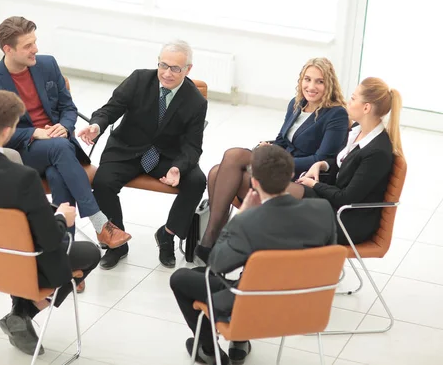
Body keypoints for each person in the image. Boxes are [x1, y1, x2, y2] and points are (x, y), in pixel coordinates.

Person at [0, 90, 101, 357]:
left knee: (25, 246)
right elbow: (49, 239)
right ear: (9, 131)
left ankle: (19, 314)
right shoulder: (22, 177)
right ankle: (24, 312)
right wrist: (62, 219)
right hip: (17, 266)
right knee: (90, 252)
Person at [170, 145, 336, 365]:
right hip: (305, 306)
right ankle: (239, 343)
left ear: (254, 182)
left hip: (253, 306)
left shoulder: (249, 222)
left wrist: (240, 216)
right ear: (292, 177)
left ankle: (209, 350)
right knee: (244, 275)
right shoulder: (323, 210)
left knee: (182, 278)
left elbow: (217, 264)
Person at [0, 16, 130, 249]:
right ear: (8, 49)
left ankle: (66, 258)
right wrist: (34, 133)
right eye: (28, 46)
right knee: (60, 148)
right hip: (24, 152)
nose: (35, 49)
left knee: (58, 174)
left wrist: (64, 126)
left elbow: (68, 108)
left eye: (35, 42)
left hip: (59, 146)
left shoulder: (47, 65)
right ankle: (100, 223)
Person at [195, 57, 348, 263]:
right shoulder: (296, 105)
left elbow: (321, 158)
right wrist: (268, 147)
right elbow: (282, 140)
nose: (311, 87)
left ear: (329, 84)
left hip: (302, 178)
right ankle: (213, 244)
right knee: (216, 172)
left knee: (233, 156)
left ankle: (212, 242)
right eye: (307, 79)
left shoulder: (336, 114)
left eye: (319, 81)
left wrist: (279, 160)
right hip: (280, 167)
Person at [78, 40, 208, 269]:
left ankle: (167, 234)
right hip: (127, 148)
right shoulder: (139, 79)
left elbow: (192, 145)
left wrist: (178, 167)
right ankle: (117, 243)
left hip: (167, 156)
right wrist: (97, 126)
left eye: (175, 68)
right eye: (163, 65)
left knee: (197, 181)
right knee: (103, 181)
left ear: (188, 69)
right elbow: (111, 108)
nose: (167, 73)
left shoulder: (195, 101)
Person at [291, 77, 404, 245]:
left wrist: (313, 185)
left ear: (366, 107)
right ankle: (260, 265)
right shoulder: (356, 131)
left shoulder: (377, 151)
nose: (348, 103)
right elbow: (342, 165)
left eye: (353, 98)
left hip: (347, 221)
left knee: (283, 209)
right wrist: (320, 165)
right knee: (280, 197)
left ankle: (262, 264)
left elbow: (346, 197)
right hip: (333, 204)